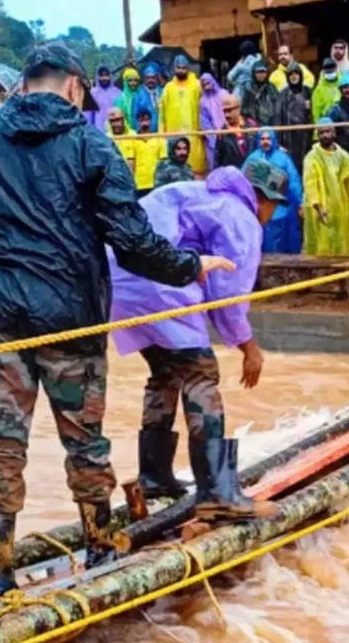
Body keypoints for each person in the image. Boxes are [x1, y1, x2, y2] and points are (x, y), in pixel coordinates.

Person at [0, 41, 233, 593]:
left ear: (23, 83)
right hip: (68, 314)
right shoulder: (92, 144)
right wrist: (191, 266)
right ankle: (101, 553)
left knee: (1, 442)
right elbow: (135, 242)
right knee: (85, 441)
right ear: (73, 85)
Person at [109, 163, 282, 521]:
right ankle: (217, 491)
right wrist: (248, 347)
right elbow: (228, 294)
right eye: (273, 205)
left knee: (165, 372)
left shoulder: (201, 194)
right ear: (262, 198)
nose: (272, 214)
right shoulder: (241, 216)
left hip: (119, 280)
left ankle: (154, 475)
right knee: (199, 373)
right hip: (159, 280)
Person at [301, 118, 349, 256]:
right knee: (321, 247)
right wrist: (318, 207)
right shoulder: (312, 158)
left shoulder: (344, 157)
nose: (325, 135)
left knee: (342, 246)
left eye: (328, 131)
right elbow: (310, 184)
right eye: (321, 133)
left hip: (341, 209)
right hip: (320, 210)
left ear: (334, 133)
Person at [241, 128, 303, 253]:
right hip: (259, 209)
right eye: (262, 139)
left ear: (273, 140)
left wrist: (299, 202)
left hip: (281, 207)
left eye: (268, 139)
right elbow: (243, 183)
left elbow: (293, 181)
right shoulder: (253, 159)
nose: (265, 142)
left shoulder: (283, 158)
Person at [160, 56, 205, 174]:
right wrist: (162, 133)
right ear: (174, 69)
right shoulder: (168, 88)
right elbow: (162, 112)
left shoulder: (197, 85)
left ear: (188, 69)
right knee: (174, 169)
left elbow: (205, 108)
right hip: (173, 134)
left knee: (195, 169)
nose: (181, 71)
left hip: (193, 133)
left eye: (184, 68)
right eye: (179, 68)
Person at [276, 62, 314, 171]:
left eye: (296, 74)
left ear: (300, 75)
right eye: (291, 74)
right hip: (289, 137)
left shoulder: (307, 91)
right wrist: (279, 141)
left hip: (305, 136)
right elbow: (278, 116)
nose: (293, 77)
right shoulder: (283, 94)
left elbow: (313, 114)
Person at [131, 107, 167, 196]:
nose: (144, 123)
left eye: (147, 119)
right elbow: (131, 163)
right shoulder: (132, 140)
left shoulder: (159, 138)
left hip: (155, 183)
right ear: (138, 122)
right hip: (139, 184)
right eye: (141, 120)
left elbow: (163, 162)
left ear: (150, 120)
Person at [198, 73, 228, 172]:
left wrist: (226, 130)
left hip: (227, 134)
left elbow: (231, 112)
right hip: (213, 139)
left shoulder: (224, 94)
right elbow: (204, 121)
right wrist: (213, 136)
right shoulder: (202, 101)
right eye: (204, 84)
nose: (207, 86)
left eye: (208, 83)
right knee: (213, 165)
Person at [214, 94, 252, 169]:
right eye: (224, 111)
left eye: (229, 110)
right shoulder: (221, 134)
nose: (226, 115)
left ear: (238, 109)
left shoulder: (252, 126)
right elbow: (218, 160)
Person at [240, 60, 278, 128]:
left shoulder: (272, 88)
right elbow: (244, 110)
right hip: (252, 126)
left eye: (263, 72)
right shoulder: (249, 88)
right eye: (258, 72)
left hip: (270, 125)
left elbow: (277, 107)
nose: (261, 75)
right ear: (254, 73)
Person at [86, 66, 121, 131]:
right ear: (98, 77)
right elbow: (88, 115)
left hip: (116, 131)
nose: (104, 78)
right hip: (99, 131)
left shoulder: (118, 92)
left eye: (106, 76)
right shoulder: (93, 93)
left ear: (110, 77)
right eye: (101, 76)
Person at [312, 57, 343, 125]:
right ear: (323, 71)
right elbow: (316, 113)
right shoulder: (319, 90)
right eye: (327, 69)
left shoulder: (343, 84)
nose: (330, 71)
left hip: (342, 123)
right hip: (326, 124)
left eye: (332, 68)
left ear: (336, 68)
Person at [133, 64, 163, 132]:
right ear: (144, 79)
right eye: (148, 78)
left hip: (162, 133)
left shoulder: (163, 92)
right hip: (145, 133)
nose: (150, 80)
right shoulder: (138, 95)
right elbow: (135, 117)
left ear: (156, 78)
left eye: (153, 78)